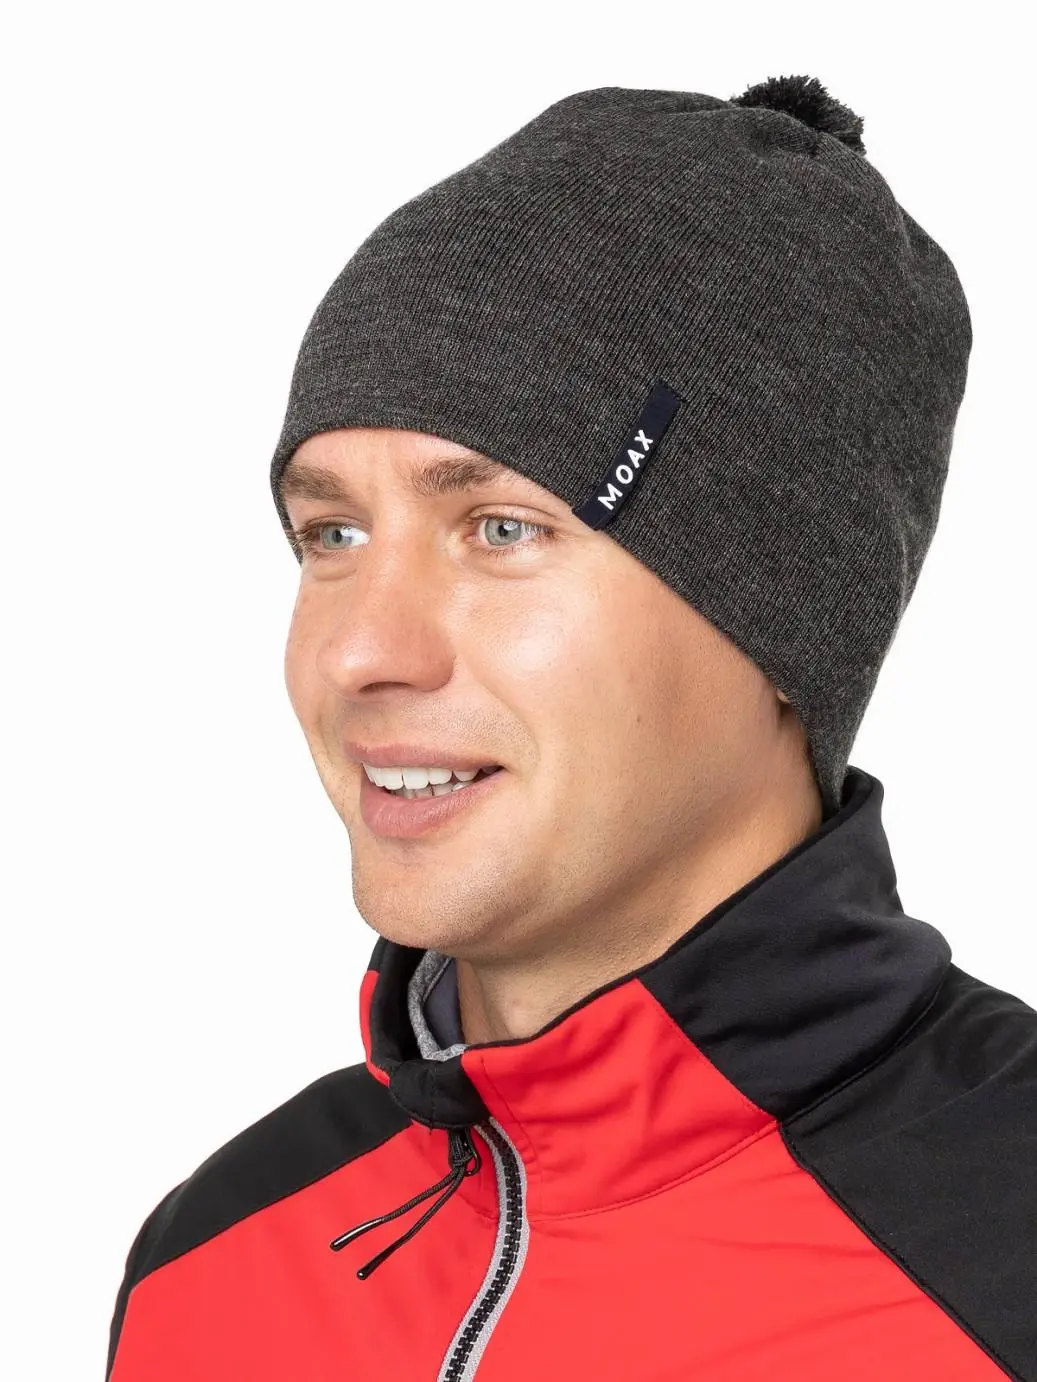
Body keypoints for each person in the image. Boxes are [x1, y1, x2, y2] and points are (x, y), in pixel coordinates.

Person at [105, 74, 1037, 1380]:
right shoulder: (213, 1265)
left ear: (786, 622)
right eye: (333, 534)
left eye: (501, 528)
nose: (362, 651)